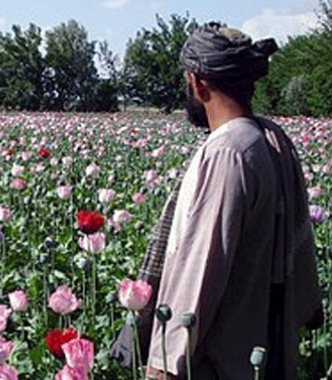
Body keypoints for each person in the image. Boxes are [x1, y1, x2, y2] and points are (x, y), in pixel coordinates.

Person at [125, 22, 322, 379]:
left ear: (198, 82)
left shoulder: (228, 153)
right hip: (264, 353)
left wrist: (163, 366)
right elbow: (301, 247)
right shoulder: (272, 139)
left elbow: (199, 269)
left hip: (221, 363)